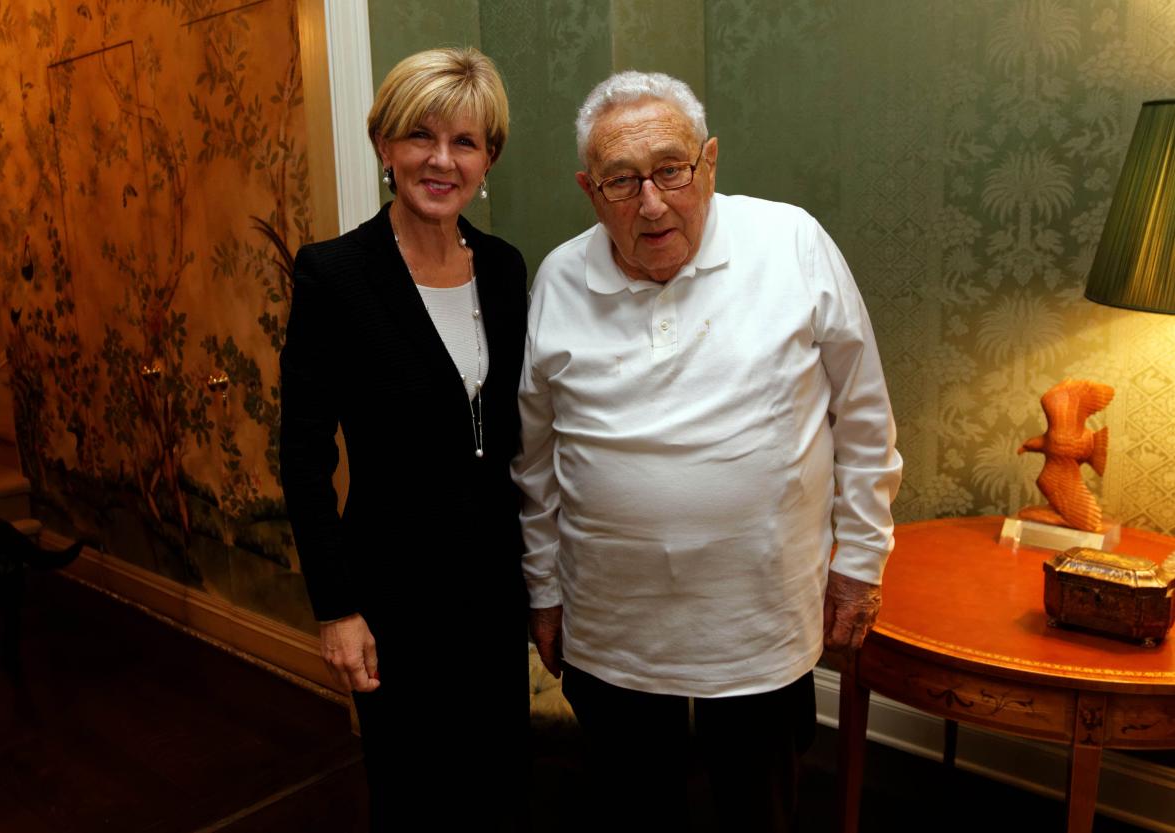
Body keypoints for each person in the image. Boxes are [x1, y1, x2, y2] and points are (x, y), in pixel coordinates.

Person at [512, 70, 903, 832]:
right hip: (611, 623)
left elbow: (864, 414)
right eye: (623, 181)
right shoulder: (560, 277)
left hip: (756, 621)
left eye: (670, 169)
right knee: (633, 807)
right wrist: (543, 590)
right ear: (590, 190)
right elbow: (535, 459)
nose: (652, 202)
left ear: (710, 162)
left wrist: (860, 562)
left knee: (757, 807)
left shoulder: (791, 242)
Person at [280, 47, 529, 831]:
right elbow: (304, 455)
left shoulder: (503, 267)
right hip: (392, 595)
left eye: (466, 141)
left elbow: (520, 434)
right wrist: (336, 607)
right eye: (420, 135)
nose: (441, 159)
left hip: (495, 589)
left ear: (489, 158)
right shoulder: (335, 275)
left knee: (496, 788)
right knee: (414, 796)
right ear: (385, 145)